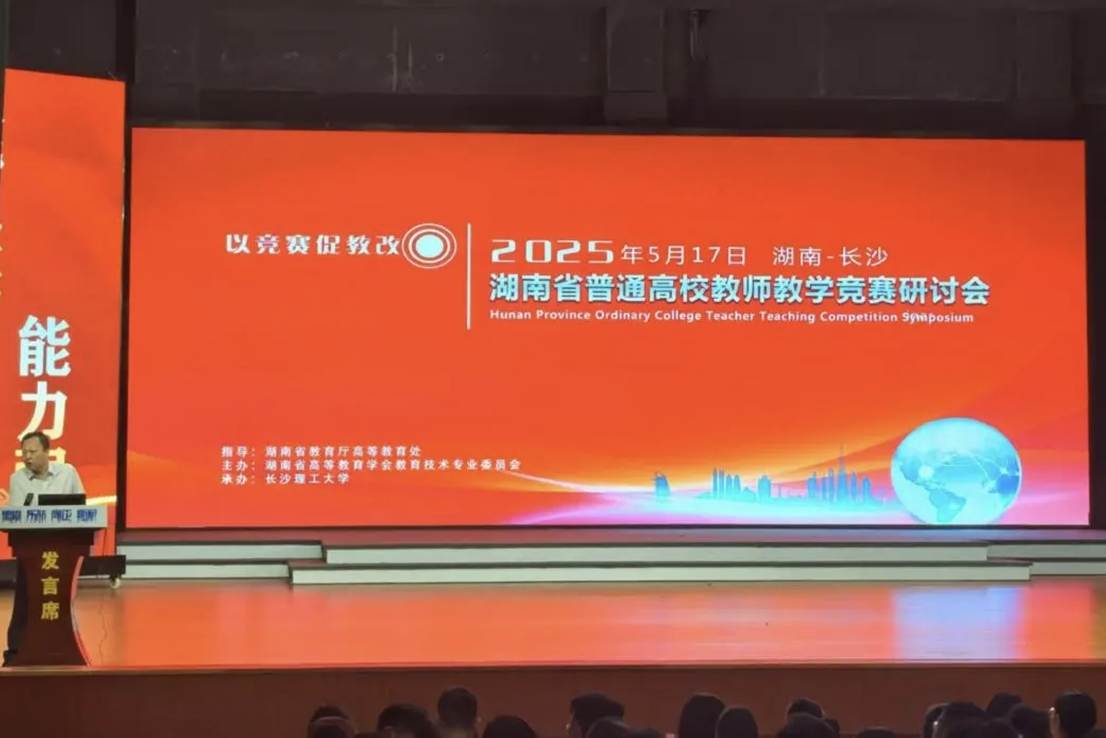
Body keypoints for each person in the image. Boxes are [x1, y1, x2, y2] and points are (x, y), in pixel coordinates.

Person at [3, 431, 86, 666]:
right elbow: (17, 518)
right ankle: (18, 649)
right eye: (24, 453)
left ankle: (63, 646)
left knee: (60, 599)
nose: (27, 457)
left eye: (32, 451)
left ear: (47, 452)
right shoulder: (17, 479)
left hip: (64, 550)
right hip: (32, 552)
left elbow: (82, 508)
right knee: (26, 600)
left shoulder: (68, 473)